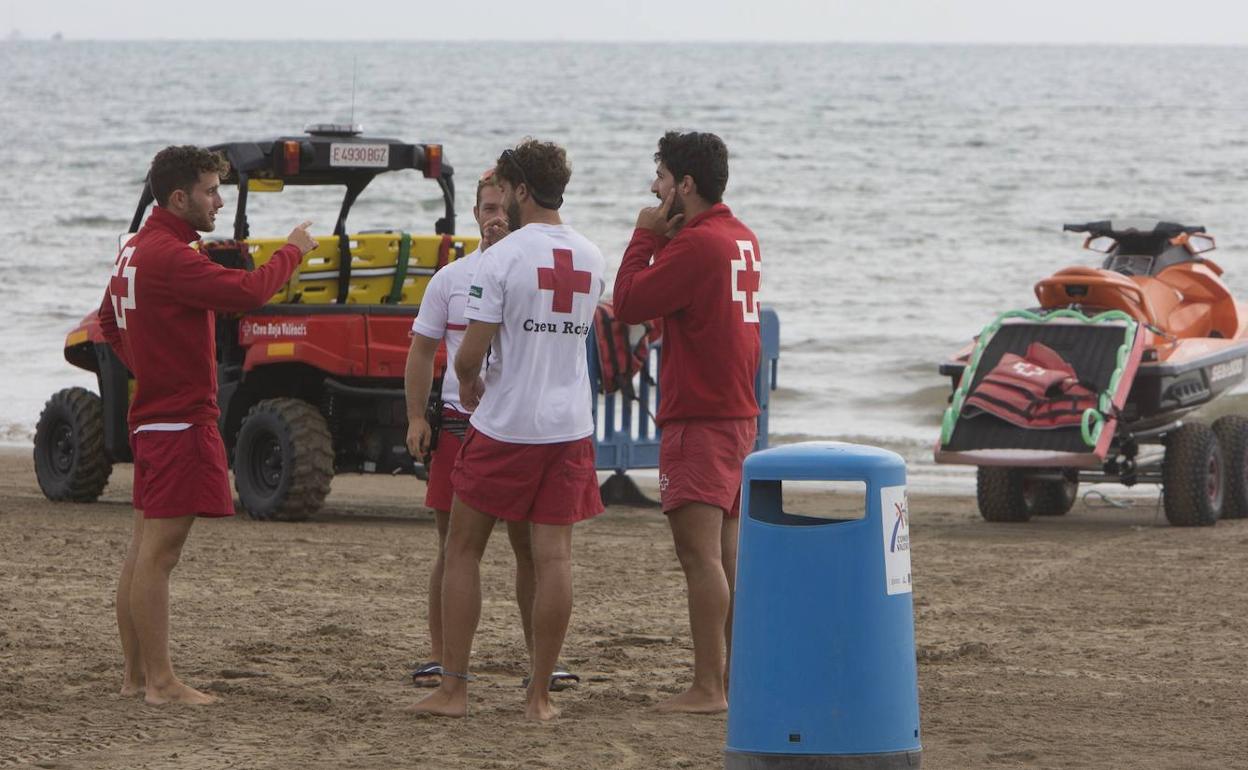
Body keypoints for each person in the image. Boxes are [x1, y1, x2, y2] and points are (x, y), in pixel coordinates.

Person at [99, 145, 316, 705]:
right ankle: (162, 683)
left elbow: (106, 320)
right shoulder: (170, 256)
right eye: (210, 191)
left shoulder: (135, 249)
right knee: (159, 556)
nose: (220, 201)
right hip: (176, 421)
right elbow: (248, 294)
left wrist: (148, 366)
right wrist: (293, 251)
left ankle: (134, 678)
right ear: (178, 197)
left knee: (143, 549)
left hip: (153, 416)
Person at [409, 139, 605, 721]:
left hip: (506, 425)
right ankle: (539, 695)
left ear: (520, 191)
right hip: (569, 426)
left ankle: (455, 688)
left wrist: (468, 383)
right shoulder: (592, 255)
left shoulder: (501, 258)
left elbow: (470, 355)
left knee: (463, 548)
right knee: (554, 560)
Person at [612, 131, 762, 714]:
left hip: (699, 416)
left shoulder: (697, 244)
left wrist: (646, 233)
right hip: (736, 414)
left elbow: (626, 303)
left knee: (699, 557)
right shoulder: (740, 237)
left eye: (662, 177)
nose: (654, 188)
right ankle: (733, 679)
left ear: (687, 185)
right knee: (725, 557)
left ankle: (707, 688)